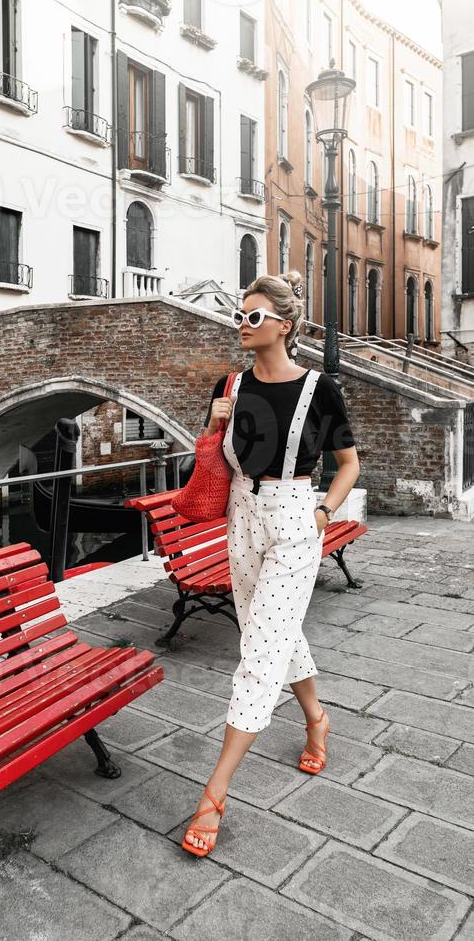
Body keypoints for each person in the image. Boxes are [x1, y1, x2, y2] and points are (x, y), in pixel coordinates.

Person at [181, 270, 360, 858]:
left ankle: (215, 792)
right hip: (241, 517)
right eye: (239, 313)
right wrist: (213, 424)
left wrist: (324, 512)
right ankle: (317, 718)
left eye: (253, 316)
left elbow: (349, 465)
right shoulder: (228, 384)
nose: (242, 323)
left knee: (259, 652)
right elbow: (212, 460)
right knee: (275, 631)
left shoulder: (319, 389)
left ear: (284, 326)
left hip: (293, 519)